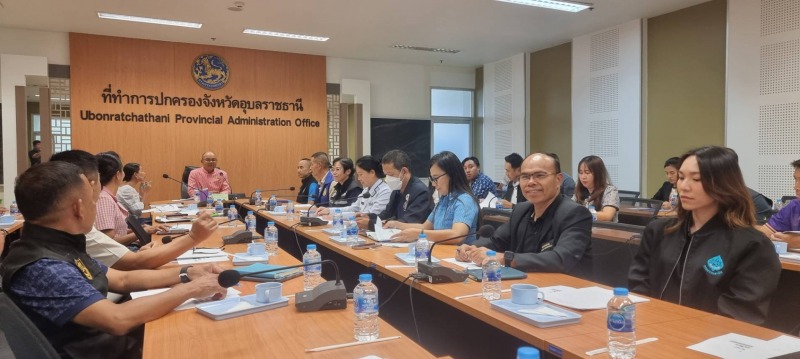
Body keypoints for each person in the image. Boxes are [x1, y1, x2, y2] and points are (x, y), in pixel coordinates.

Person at [0, 161, 227, 357]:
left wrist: (187, 273)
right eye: (93, 199)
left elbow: (123, 281)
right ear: (79, 208)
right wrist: (192, 289)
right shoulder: (44, 266)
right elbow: (118, 319)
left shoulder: (57, 244)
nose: (95, 205)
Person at [628, 146, 781, 325]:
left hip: (709, 343)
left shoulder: (752, 244)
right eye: (681, 177)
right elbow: (639, 284)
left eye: (696, 179)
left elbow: (740, 313)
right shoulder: (658, 231)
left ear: (723, 184)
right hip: (654, 331)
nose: (683, 186)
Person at [51, 150, 224, 270]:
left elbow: (118, 276)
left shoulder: (73, 233)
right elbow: (131, 267)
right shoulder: (91, 220)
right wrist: (194, 237)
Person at [456, 153, 593, 276]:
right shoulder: (521, 210)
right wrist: (473, 248)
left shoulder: (574, 213)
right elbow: (495, 241)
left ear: (558, 179)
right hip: (524, 285)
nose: (531, 182)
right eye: (525, 177)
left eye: (540, 175)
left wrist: (504, 258)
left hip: (564, 291)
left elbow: (560, 259)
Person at [387, 151, 479, 244]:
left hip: (457, 255)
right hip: (440, 252)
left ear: (452, 174)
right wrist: (396, 224)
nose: (434, 184)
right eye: (432, 179)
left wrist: (419, 234)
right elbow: (425, 227)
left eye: (436, 178)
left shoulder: (464, 200)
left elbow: (457, 235)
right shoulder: (444, 199)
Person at [95, 153, 165, 246]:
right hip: (123, 252)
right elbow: (111, 242)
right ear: (118, 175)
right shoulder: (104, 199)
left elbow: (119, 231)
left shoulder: (108, 196)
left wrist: (141, 229)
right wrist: (142, 231)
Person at [360, 150, 433, 231]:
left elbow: (408, 222)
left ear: (404, 171)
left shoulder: (421, 192)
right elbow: (387, 214)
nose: (387, 179)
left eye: (390, 174)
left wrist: (371, 224)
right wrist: (368, 217)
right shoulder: (396, 189)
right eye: (385, 175)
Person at [317, 156, 390, 216]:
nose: (359, 178)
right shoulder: (366, 190)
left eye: (361, 174)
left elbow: (371, 215)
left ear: (372, 172)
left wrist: (337, 216)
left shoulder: (385, 191)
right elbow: (353, 208)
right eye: (358, 175)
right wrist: (329, 210)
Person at [760, 159, 800, 248]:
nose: (796, 187)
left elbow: (793, 241)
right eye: (796, 180)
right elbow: (764, 233)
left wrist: (794, 241)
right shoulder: (793, 206)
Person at [573, 155, 619, 222]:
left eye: (587, 173)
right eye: (581, 173)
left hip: (604, 230)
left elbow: (607, 216)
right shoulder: (580, 190)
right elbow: (570, 208)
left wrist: (582, 214)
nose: (583, 177)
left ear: (598, 174)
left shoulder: (610, 191)